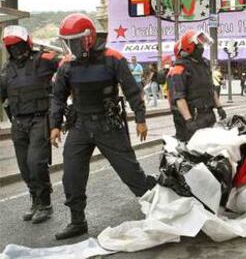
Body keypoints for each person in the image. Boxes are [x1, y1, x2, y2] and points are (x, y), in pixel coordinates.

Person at [50, 13, 156, 240]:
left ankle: (157, 208)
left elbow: (132, 91)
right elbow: (58, 97)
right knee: (71, 174)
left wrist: (140, 119)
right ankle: (77, 221)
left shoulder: (113, 58)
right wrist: (55, 125)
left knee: (130, 171)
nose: (70, 47)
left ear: (87, 39)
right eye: (67, 42)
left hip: (108, 124)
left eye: (74, 41)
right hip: (79, 125)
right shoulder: (67, 65)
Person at [0, 26, 60, 223]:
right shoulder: (7, 69)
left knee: (36, 163)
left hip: (39, 120)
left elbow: (67, 66)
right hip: (17, 123)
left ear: (26, 43)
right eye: (12, 46)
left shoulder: (42, 60)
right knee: (25, 167)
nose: (15, 49)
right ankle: (35, 200)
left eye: (18, 44)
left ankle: (45, 204)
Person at [167, 30, 227, 142]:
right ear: (189, 47)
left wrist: (219, 108)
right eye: (198, 44)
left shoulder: (204, 65)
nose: (201, 47)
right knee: (191, 152)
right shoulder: (179, 69)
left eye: (201, 44)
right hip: (193, 116)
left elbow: (211, 88)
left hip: (208, 114)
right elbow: (179, 97)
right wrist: (189, 120)